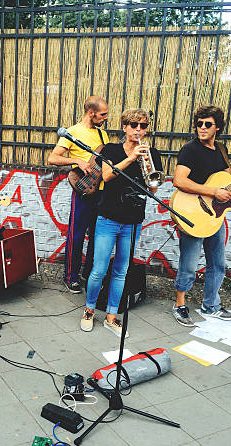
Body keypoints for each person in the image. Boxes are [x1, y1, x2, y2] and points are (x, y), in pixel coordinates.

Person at [171, 105, 231, 327]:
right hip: (192, 213)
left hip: (215, 216)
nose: (202, 128)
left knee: (217, 263)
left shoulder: (221, 150)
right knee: (189, 263)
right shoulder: (190, 150)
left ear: (218, 128)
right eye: (199, 124)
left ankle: (210, 305)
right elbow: (179, 181)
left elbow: (230, 184)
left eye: (208, 124)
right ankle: (179, 305)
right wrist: (212, 191)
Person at [80, 109, 162, 337]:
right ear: (124, 127)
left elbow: (154, 188)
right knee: (99, 269)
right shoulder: (112, 150)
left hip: (133, 221)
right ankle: (89, 310)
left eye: (143, 126)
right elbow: (106, 176)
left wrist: (146, 164)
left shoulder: (151, 152)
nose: (138, 130)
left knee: (121, 271)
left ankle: (111, 316)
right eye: (134, 125)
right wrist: (131, 158)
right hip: (108, 218)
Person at [48, 96, 109, 294]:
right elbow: (53, 158)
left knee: (96, 237)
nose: (106, 118)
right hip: (82, 192)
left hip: (100, 192)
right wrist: (77, 161)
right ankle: (70, 277)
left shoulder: (103, 135)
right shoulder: (72, 132)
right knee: (76, 236)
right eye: (103, 114)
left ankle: (88, 273)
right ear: (91, 113)